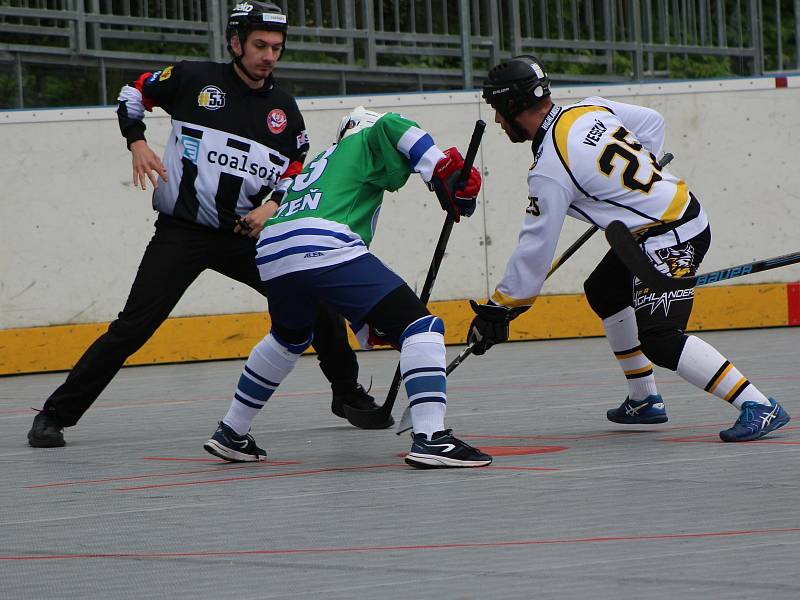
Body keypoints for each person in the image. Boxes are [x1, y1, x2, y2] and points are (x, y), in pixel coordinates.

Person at [26, 1, 384, 449]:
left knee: (315, 303)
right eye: (259, 46)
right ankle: (54, 415)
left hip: (244, 237)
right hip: (183, 233)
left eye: (276, 47)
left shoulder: (285, 111)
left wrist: (271, 205)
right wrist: (136, 141)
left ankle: (346, 393)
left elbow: (296, 167)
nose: (269, 56)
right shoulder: (193, 79)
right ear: (235, 43)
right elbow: (132, 93)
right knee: (132, 328)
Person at [468, 54, 790, 443]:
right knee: (604, 289)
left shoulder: (549, 171)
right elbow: (651, 122)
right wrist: (632, 188)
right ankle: (644, 399)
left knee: (661, 337)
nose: (499, 122)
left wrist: (502, 307)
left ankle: (759, 405)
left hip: (671, 237)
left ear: (513, 106)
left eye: (499, 112)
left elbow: (535, 250)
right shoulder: (587, 110)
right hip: (667, 221)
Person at [202, 106, 493, 468]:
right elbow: (392, 125)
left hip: (273, 248)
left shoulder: (318, 164)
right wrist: (439, 169)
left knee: (288, 337)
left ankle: (232, 430)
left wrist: (365, 321)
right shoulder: (363, 139)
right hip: (321, 240)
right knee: (422, 327)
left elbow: (330, 276)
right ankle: (432, 438)